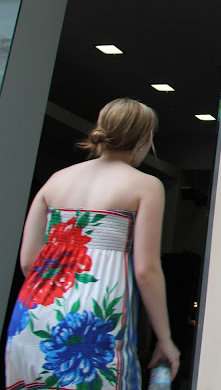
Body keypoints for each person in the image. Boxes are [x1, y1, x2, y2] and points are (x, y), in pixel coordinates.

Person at [5, 98, 180, 389]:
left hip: (35, 314)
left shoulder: (56, 180)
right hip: (95, 319)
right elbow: (146, 271)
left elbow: (28, 261)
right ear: (144, 139)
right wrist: (165, 339)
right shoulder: (147, 186)